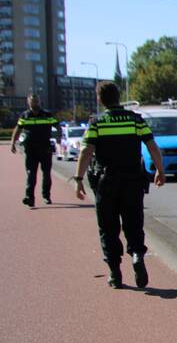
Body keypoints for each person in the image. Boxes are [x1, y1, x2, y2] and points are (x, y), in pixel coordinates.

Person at [73, 82, 166, 289]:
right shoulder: (135, 120)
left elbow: (86, 151)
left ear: (100, 99)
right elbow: (152, 146)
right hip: (133, 180)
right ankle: (137, 256)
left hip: (107, 183)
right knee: (134, 222)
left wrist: (79, 180)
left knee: (108, 228)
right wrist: (160, 170)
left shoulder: (97, 122)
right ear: (118, 97)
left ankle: (115, 274)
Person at [10, 93, 61, 206]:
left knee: (46, 174)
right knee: (31, 174)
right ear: (28, 102)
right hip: (30, 149)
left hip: (45, 148)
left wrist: (58, 138)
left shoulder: (47, 115)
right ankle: (29, 198)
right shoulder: (25, 115)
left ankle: (46, 196)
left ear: (39, 101)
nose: (34, 103)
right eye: (32, 101)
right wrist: (13, 142)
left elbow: (58, 126)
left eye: (36, 100)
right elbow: (18, 129)